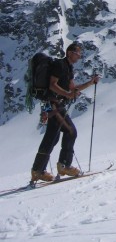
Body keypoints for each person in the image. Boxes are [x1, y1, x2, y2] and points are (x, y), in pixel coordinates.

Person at [30, 43, 100, 182]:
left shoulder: (68, 68)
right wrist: (67, 95)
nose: (79, 56)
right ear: (69, 53)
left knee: (52, 136)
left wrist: (90, 83)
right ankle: (64, 165)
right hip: (54, 105)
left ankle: (38, 170)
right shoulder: (60, 65)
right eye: (77, 53)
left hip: (53, 105)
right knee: (70, 132)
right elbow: (52, 84)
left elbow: (72, 89)